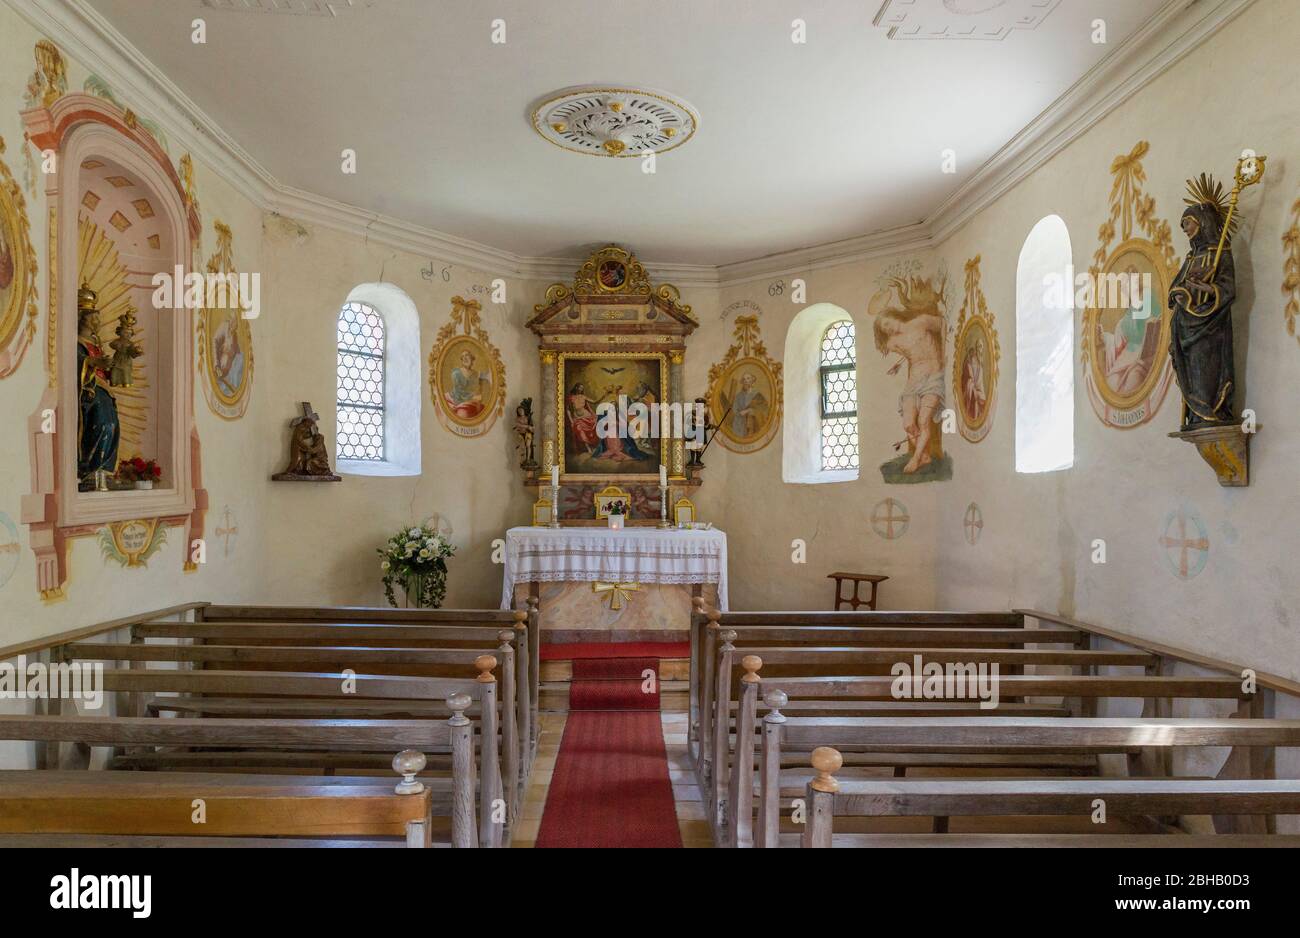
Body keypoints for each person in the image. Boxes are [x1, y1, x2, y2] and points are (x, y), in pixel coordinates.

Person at [1168, 191, 1236, 429]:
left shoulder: (1220, 252)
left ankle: (1210, 413)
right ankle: (1197, 418)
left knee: (1207, 371)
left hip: (1210, 326)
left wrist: (1207, 288)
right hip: (1186, 326)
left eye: (1187, 223)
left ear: (1201, 222)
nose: (1184, 229)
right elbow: (1175, 286)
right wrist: (1179, 293)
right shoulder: (1192, 256)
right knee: (1191, 371)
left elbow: (1228, 288)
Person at [76, 284, 120, 489]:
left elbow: (104, 369)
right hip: (90, 391)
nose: (98, 322)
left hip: (104, 390)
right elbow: (76, 364)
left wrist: (110, 366)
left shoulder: (96, 344)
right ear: (83, 318)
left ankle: (105, 471)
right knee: (102, 424)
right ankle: (91, 470)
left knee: (113, 425)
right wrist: (93, 363)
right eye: (94, 318)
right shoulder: (76, 342)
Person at [445, 348, 486, 419]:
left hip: (471, 401)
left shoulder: (476, 374)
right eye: (462, 357)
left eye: (467, 355)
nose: (464, 358)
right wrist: (473, 397)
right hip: (455, 400)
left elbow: (479, 389)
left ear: (472, 359)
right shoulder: (456, 373)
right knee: (464, 414)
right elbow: (459, 392)